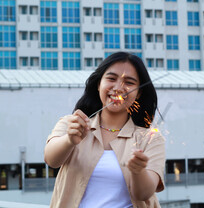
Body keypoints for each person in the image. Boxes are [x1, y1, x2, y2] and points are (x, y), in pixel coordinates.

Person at [44, 52, 165, 208]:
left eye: (129, 82)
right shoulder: (72, 123)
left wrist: (138, 171)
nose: (119, 88)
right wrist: (69, 140)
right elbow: (51, 160)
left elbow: (143, 194)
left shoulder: (149, 138)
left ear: (139, 92)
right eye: (111, 78)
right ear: (98, 84)